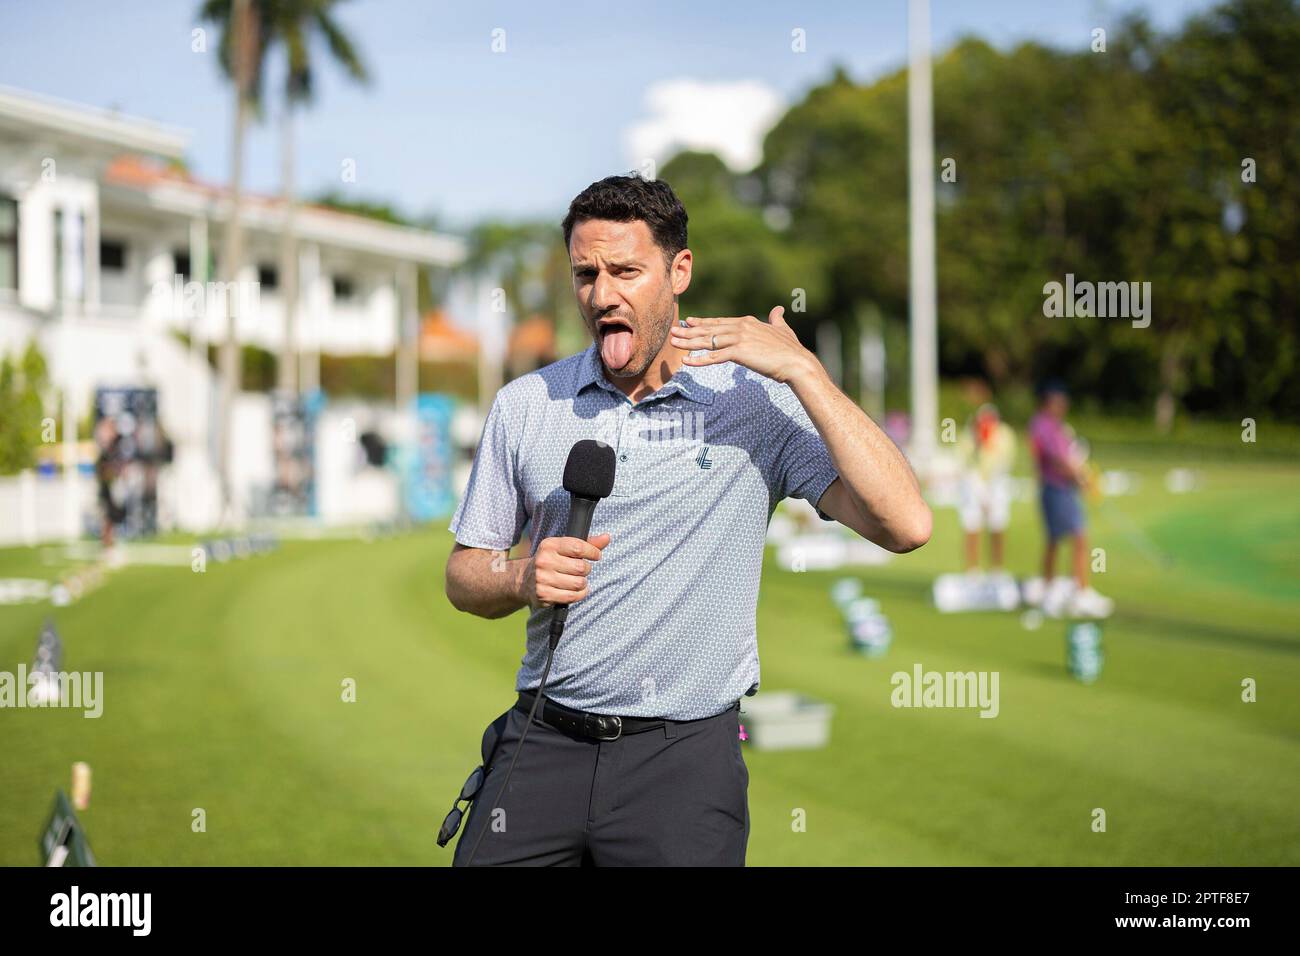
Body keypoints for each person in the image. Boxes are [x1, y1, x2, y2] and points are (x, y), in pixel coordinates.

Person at [443, 173, 931, 866]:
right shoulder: (526, 405)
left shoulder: (755, 400)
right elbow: (464, 573)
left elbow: (905, 524)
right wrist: (520, 577)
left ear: (679, 272)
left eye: (625, 271)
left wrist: (807, 374)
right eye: (585, 274)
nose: (602, 295)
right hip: (542, 743)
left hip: (683, 765)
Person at [1025, 381, 1113, 618]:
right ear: (1049, 402)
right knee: (1078, 537)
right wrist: (1079, 478)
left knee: (1055, 540)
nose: (1063, 406)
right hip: (1056, 488)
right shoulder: (1043, 425)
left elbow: (1068, 456)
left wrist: (1081, 476)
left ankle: (1050, 589)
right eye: (1060, 402)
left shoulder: (1056, 426)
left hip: (1060, 488)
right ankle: (1080, 593)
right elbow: (1056, 460)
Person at [955, 403, 1015, 578]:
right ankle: (972, 570)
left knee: (997, 525)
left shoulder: (1005, 435)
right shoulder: (968, 436)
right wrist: (980, 492)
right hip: (972, 485)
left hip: (997, 483)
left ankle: (997, 569)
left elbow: (1004, 464)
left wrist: (991, 492)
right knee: (972, 525)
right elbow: (966, 466)